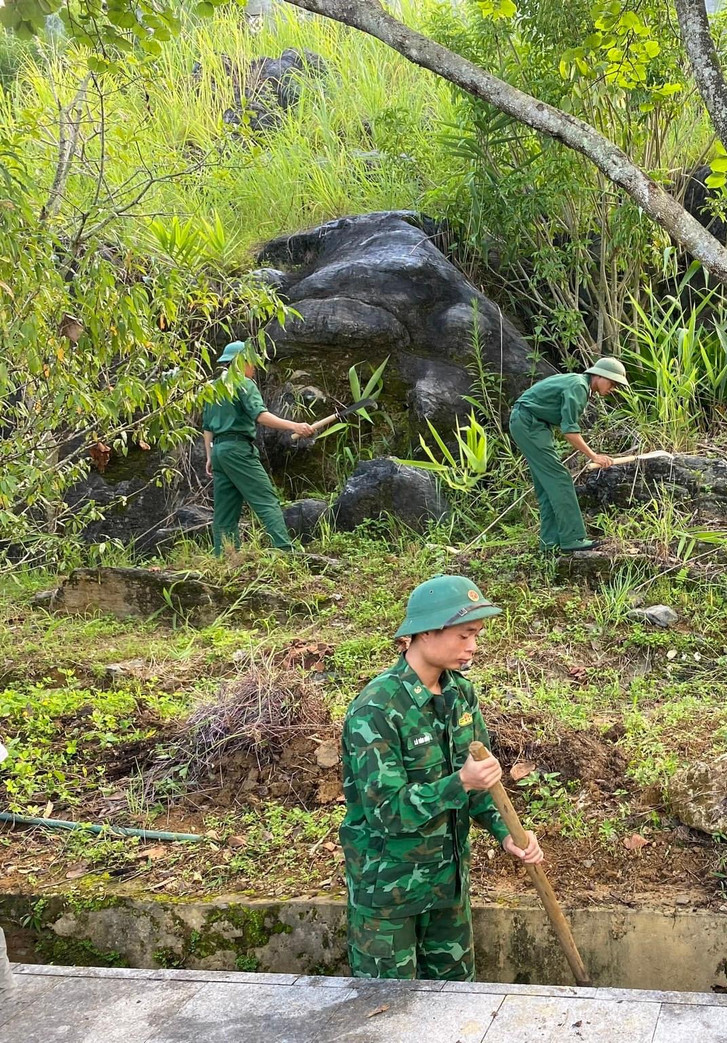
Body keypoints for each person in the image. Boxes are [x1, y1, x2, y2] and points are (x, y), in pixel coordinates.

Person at [340, 574, 544, 980]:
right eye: (465, 635)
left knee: (453, 1007)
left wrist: (507, 832)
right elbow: (386, 813)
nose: (473, 647)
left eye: (477, 635)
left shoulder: (459, 695)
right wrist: (460, 783)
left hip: (448, 887)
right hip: (388, 894)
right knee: (386, 1014)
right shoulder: (377, 708)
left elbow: (481, 783)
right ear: (426, 632)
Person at [200, 341, 314, 556]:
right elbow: (260, 416)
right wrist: (294, 425)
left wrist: (209, 456)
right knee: (266, 500)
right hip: (238, 450)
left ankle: (223, 558)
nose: (254, 368)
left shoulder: (212, 388)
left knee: (224, 512)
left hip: (219, 452)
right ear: (241, 362)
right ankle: (284, 551)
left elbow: (206, 427)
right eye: (252, 362)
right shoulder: (243, 383)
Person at [508, 357, 629, 553]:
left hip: (533, 424)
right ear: (598, 376)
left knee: (547, 485)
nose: (613, 388)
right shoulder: (579, 387)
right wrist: (594, 456)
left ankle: (549, 543)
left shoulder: (577, 383)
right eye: (612, 383)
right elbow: (570, 431)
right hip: (529, 423)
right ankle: (572, 538)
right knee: (560, 479)